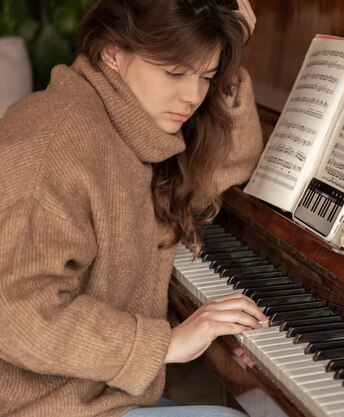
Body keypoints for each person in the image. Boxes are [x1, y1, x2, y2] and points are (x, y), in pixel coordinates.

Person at [0, 0, 267, 416]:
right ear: (112, 53)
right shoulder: (55, 140)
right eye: (175, 73)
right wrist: (166, 343)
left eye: (206, 78)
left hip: (100, 397)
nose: (194, 95)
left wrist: (226, 64)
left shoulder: (129, 124)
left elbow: (229, 164)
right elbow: (15, 313)